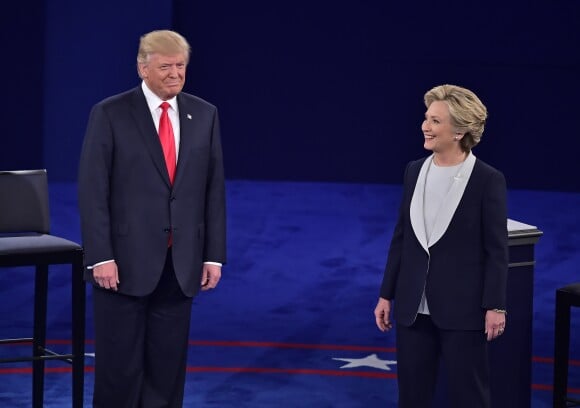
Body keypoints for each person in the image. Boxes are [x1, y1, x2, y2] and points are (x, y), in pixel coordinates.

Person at [78, 29, 226, 407]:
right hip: (122, 265)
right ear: (143, 68)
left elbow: (212, 189)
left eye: (180, 66)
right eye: (165, 67)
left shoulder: (204, 114)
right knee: (119, 372)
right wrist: (101, 256)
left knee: (167, 369)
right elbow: (93, 190)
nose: (175, 74)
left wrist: (213, 255)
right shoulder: (110, 113)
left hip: (181, 264)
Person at [373, 84, 508, 408]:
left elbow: (496, 250)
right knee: (413, 396)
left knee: (469, 395)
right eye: (426, 118)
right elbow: (402, 237)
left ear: (459, 130)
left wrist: (496, 305)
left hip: (463, 309)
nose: (425, 126)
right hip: (412, 308)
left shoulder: (487, 179)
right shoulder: (414, 170)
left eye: (435, 121)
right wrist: (386, 293)